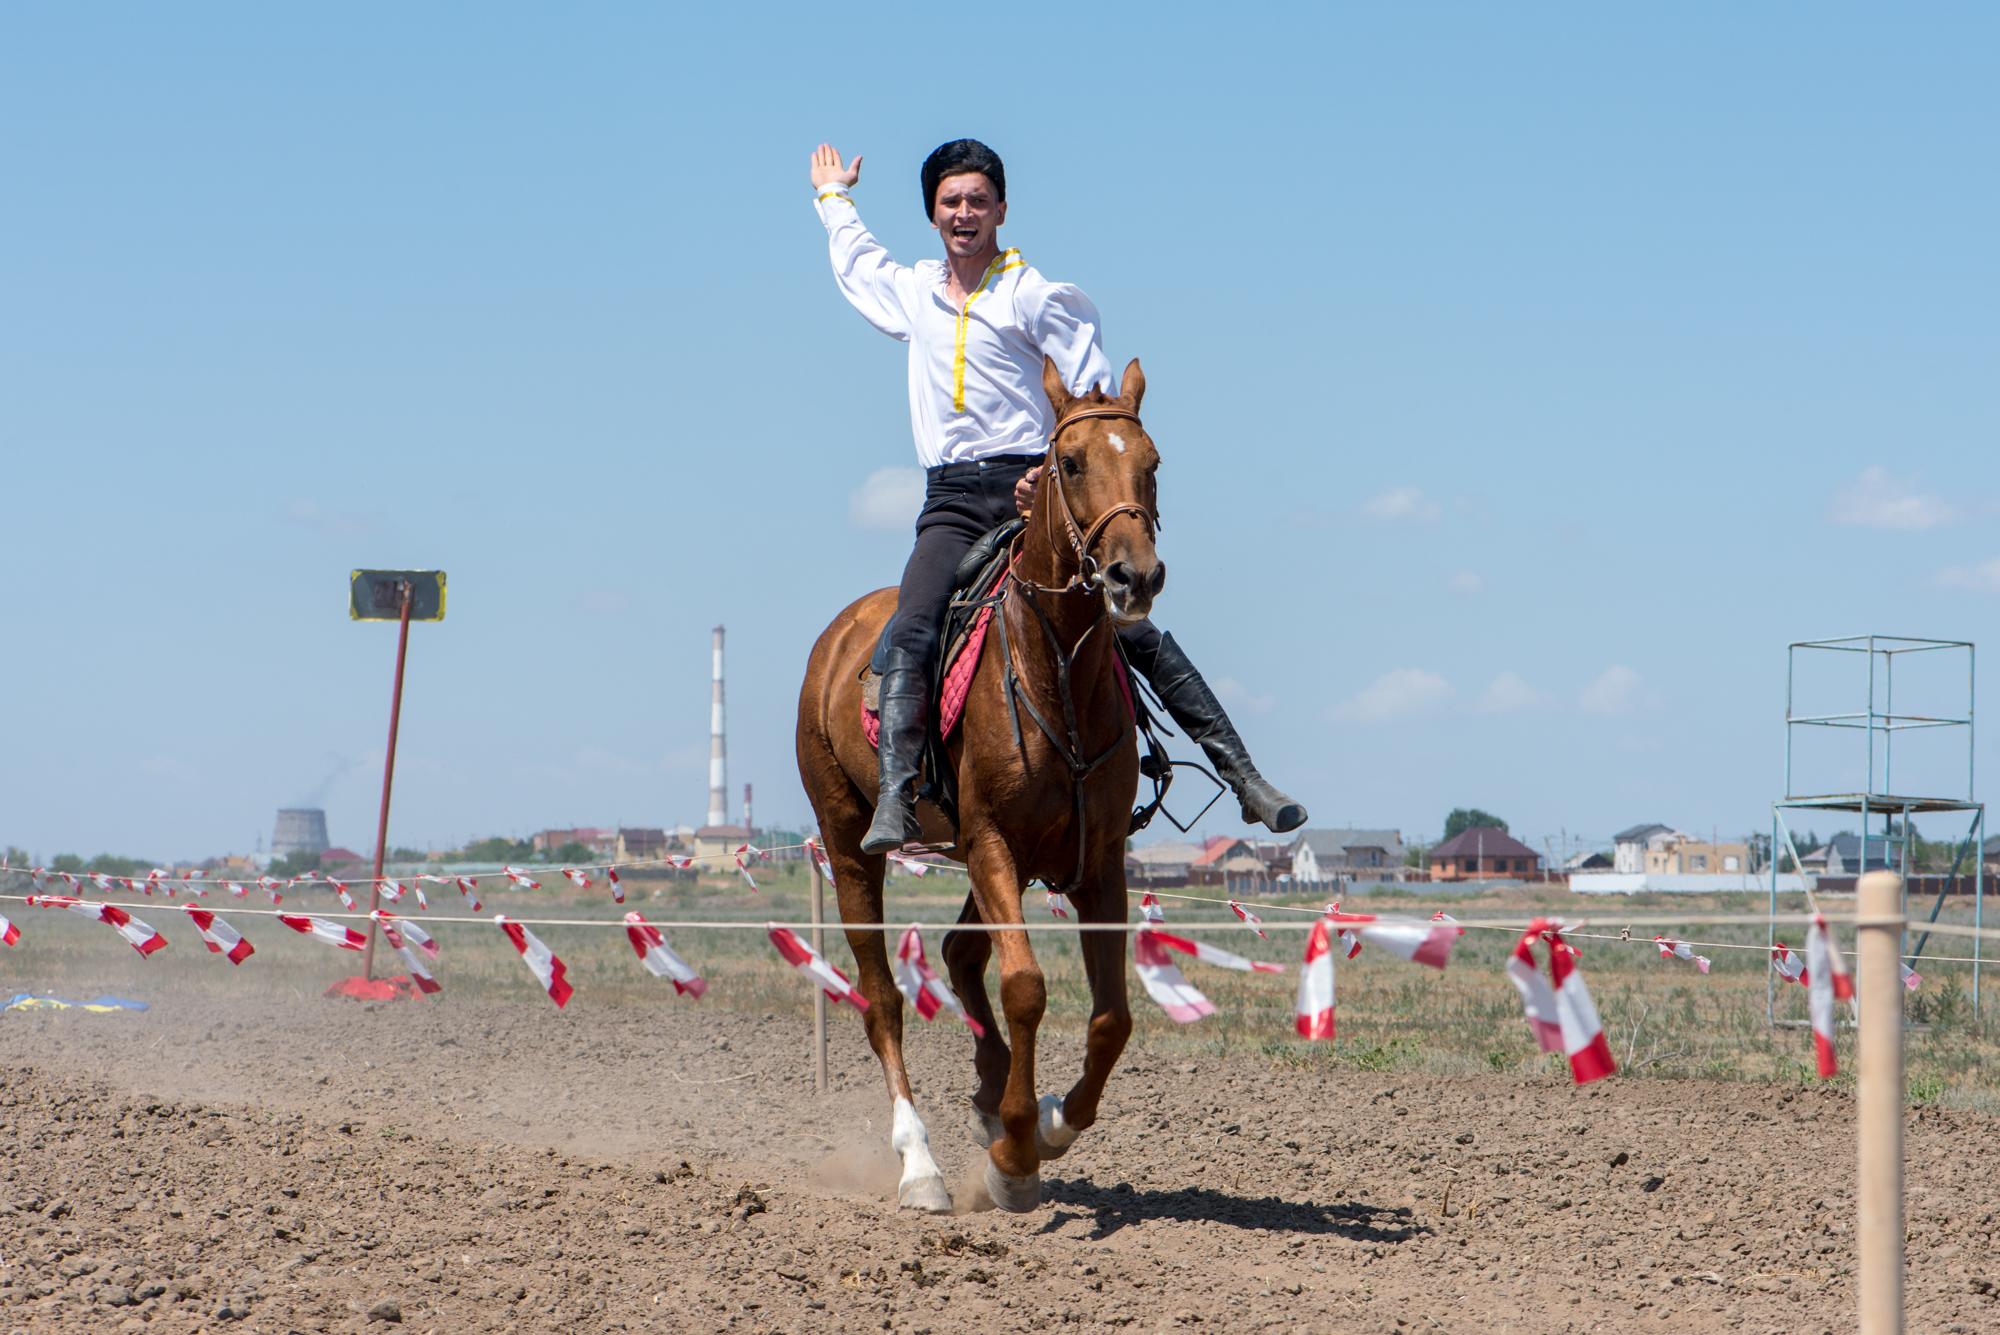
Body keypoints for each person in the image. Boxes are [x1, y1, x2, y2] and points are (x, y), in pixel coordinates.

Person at [810, 138, 1306, 853]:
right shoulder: (914, 292)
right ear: (933, 216)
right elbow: (860, 264)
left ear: (1002, 209)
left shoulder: (1034, 296)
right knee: (914, 622)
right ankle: (896, 797)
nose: (965, 212)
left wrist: (1050, 473)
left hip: (1031, 495)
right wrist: (833, 197)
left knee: (1125, 626)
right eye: (951, 202)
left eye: (979, 199)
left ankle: (1244, 776)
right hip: (950, 501)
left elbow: (1090, 404)